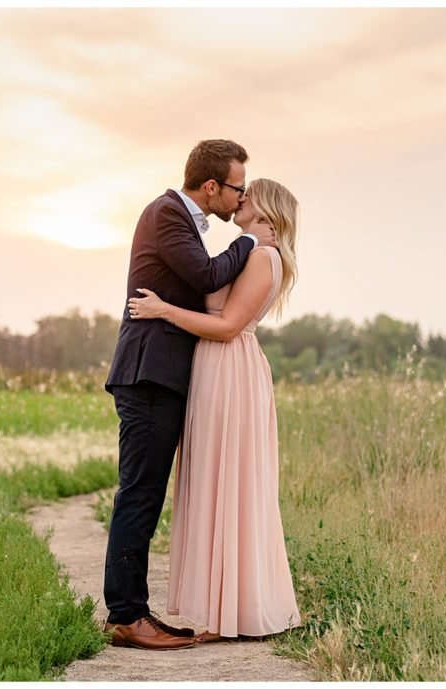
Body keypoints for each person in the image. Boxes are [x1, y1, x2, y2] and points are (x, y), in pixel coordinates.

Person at [102, 140, 278, 651]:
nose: (240, 197)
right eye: (237, 189)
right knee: (140, 491)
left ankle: (133, 611)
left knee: (147, 491)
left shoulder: (181, 218)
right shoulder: (167, 214)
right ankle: (127, 616)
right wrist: (250, 241)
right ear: (211, 187)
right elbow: (204, 275)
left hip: (163, 375)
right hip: (149, 374)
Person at [127, 178, 301, 642]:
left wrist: (164, 311)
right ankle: (220, 608)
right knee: (213, 483)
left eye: (248, 194)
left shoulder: (264, 256)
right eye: (238, 189)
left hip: (229, 370)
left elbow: (226, 326)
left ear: (265, 209)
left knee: (230, 484)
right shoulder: (247, 251)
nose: (239, 198)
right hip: (211, 370)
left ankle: (234, 612)